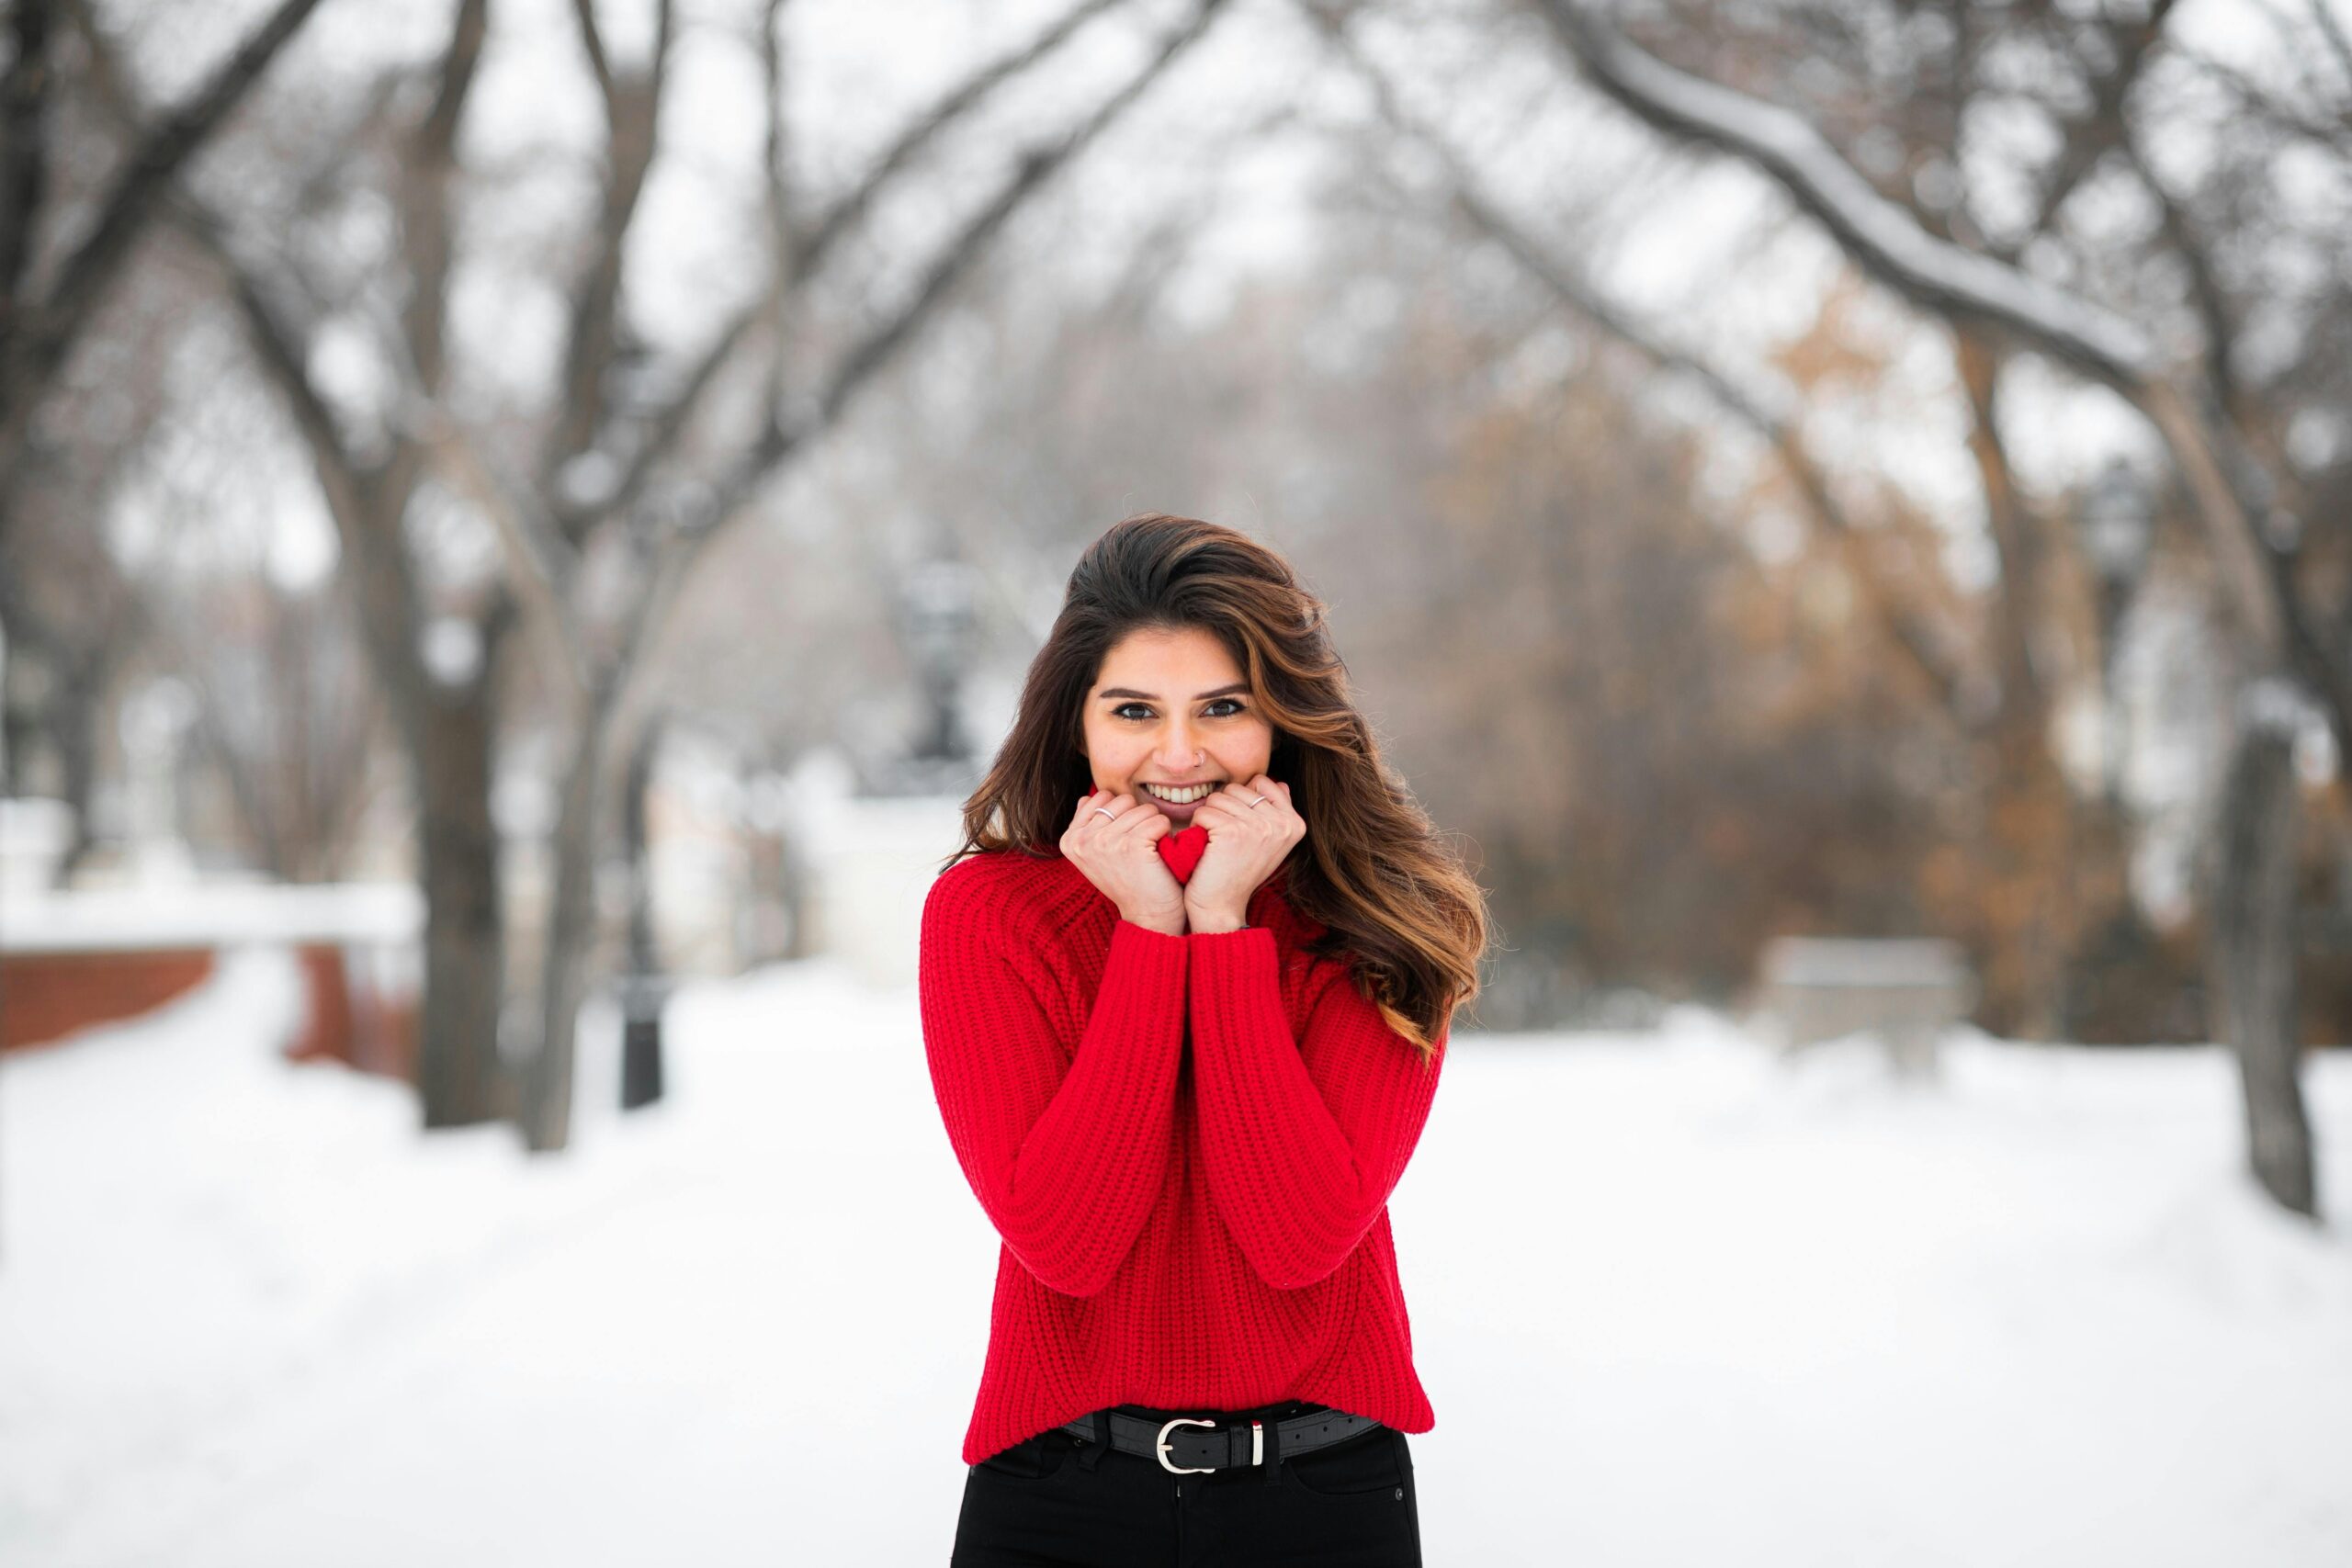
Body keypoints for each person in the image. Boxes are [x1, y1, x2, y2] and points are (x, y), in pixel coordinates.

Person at [919, 513, 1489, 1567]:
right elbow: (1066, 1243)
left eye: (1222, 709)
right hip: (1057, 1495)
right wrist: (1148, 933)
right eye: (1134, 710)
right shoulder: (989, 916)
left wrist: (1219, 931)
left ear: (1283, 720)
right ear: (1075, 723)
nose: (1177, 756)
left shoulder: (1382, 917)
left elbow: (1298, 1236)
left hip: (1322, 1497)